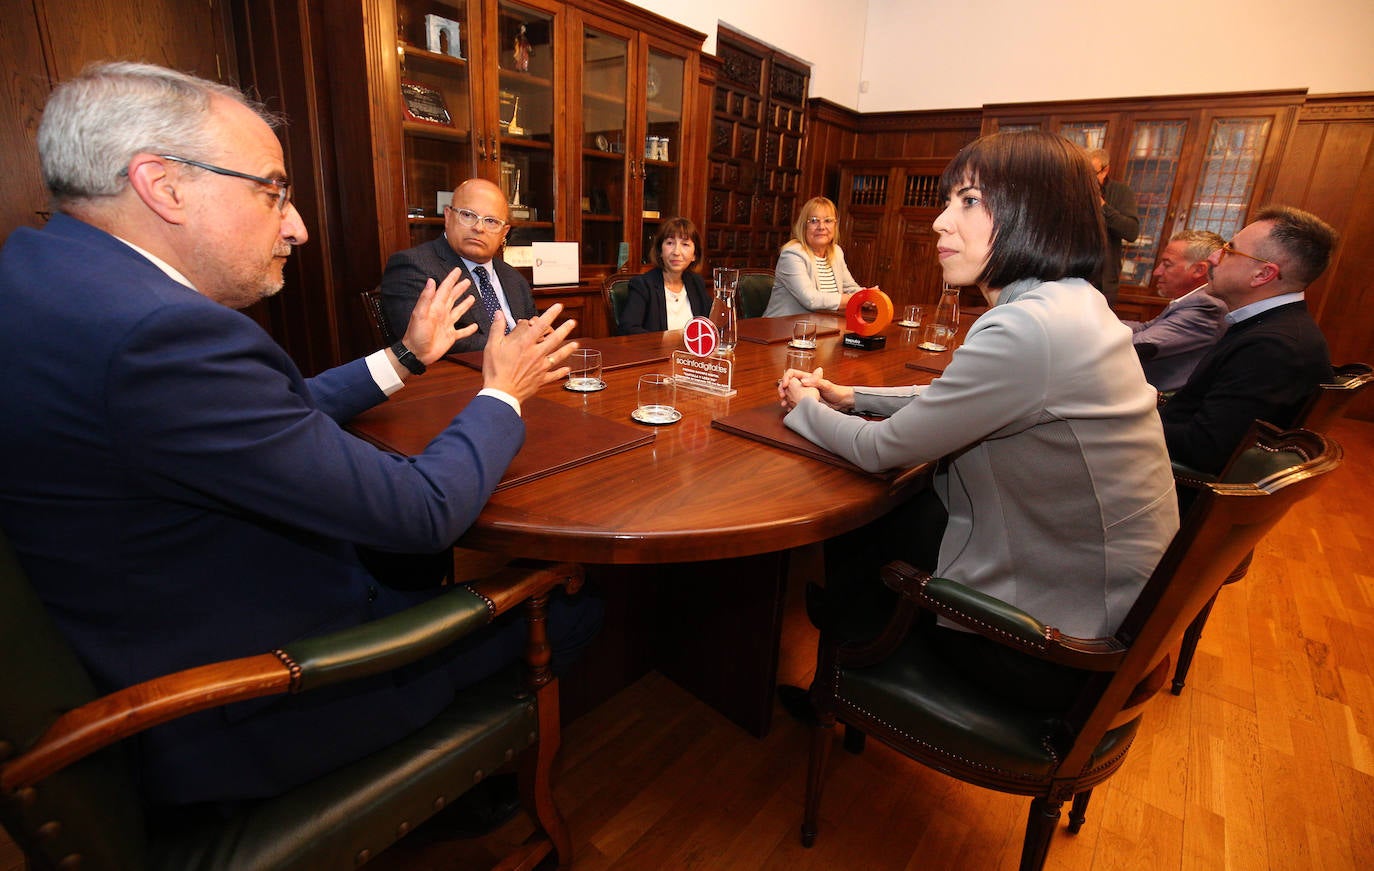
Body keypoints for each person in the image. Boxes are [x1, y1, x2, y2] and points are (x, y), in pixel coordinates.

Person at [0, 61, 601, 809]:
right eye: (272, 190)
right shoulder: (161, 336)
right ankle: (476, 796)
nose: (297, 225)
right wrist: (503, 392)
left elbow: (270, 413)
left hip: (152, 627)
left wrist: (403, 357)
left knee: (413, 566)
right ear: (164, 184)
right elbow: (424, 511)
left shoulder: (45, 272)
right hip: (249, 697)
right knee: (575, 597)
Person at [776, 130, 1178, 710]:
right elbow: (959, 401)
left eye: (968, 201)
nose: (940, 222)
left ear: (1035, 215)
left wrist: (805, 409)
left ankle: (843, 664)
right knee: (900, 516)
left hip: (1056, 648)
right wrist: (849, 396)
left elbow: (881, 450)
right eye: (949, 200)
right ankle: (841, 625)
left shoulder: (1027, 328)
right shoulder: (1072, 302)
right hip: (1112, 607)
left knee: (873, 525)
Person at [1160, 206, 1338, 474]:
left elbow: (1203, 448)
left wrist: (1122, 422)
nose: (1214, 257)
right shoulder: (1274, 326)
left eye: (1230, 250)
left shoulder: (1274, 348)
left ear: (1262, 274)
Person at [381, 177, 537, 354]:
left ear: (504, 232)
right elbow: (424, 341)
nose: (479, 228)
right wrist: (513, 343)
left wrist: (539, 334)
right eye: (468, 215)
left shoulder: (514, 279)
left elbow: (530, 329)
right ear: (448, 216)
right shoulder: (412, 267)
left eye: (491, 221)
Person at [1123, 229, 1228, 393]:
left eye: (1167, 264)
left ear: (1199, 270)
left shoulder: (1206, 306)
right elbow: (1145, 327)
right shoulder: (1192, 299)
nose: (1157, 272)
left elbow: (1139, 345)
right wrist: (1099, 321)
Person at [762, 196, 861, 316]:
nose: (821, 227)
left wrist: (870, 296)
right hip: (785, 329)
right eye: (814, 221)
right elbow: (810, 299)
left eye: (828, 221)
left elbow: (850, 287)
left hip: (823, 325)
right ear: (804, 226)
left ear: (835, 225)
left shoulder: (836, 252)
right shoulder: (792, 254)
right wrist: (856, 299)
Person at [618, 216, 710, 334]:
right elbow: (627, 329)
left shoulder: (696, 282)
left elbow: (711, 324)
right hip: (656, 351)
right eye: (670, 243)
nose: (676, 252)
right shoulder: (643, 285)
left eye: (685, 244)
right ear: (660, 251)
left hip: (692, 352)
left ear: (694, 255)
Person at [1086, 148, 1140, 306]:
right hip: (1068, 278)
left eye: (1092, 173)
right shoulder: (1071, 190)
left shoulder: (1121, 192)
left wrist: (1102, 207)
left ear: (1105, 170)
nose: (1086, 179)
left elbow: (1131, 232)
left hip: (1104, 282)